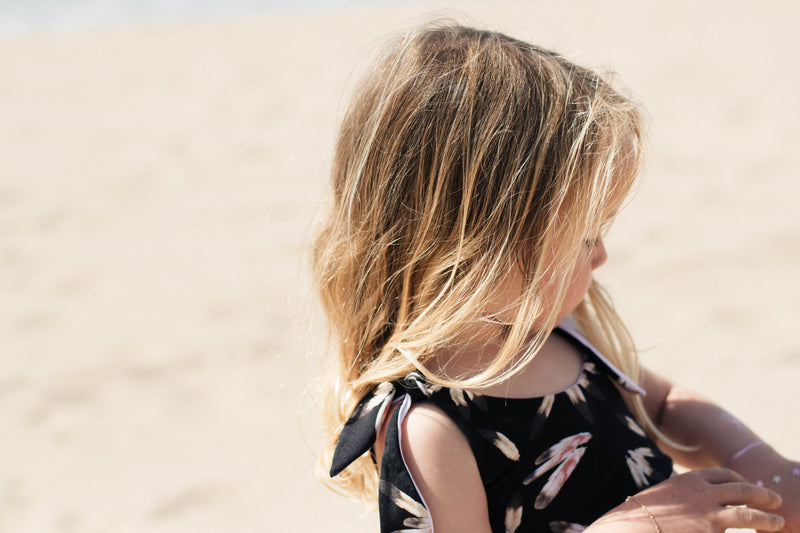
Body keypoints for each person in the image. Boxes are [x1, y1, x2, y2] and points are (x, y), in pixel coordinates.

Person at [311, 22, 799, 532]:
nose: (602, 255)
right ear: (485, 244)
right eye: (585, 237)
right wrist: (638, 525)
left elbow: (669, 405)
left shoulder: (560, 336)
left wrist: (761, 463)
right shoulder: (431, 427)